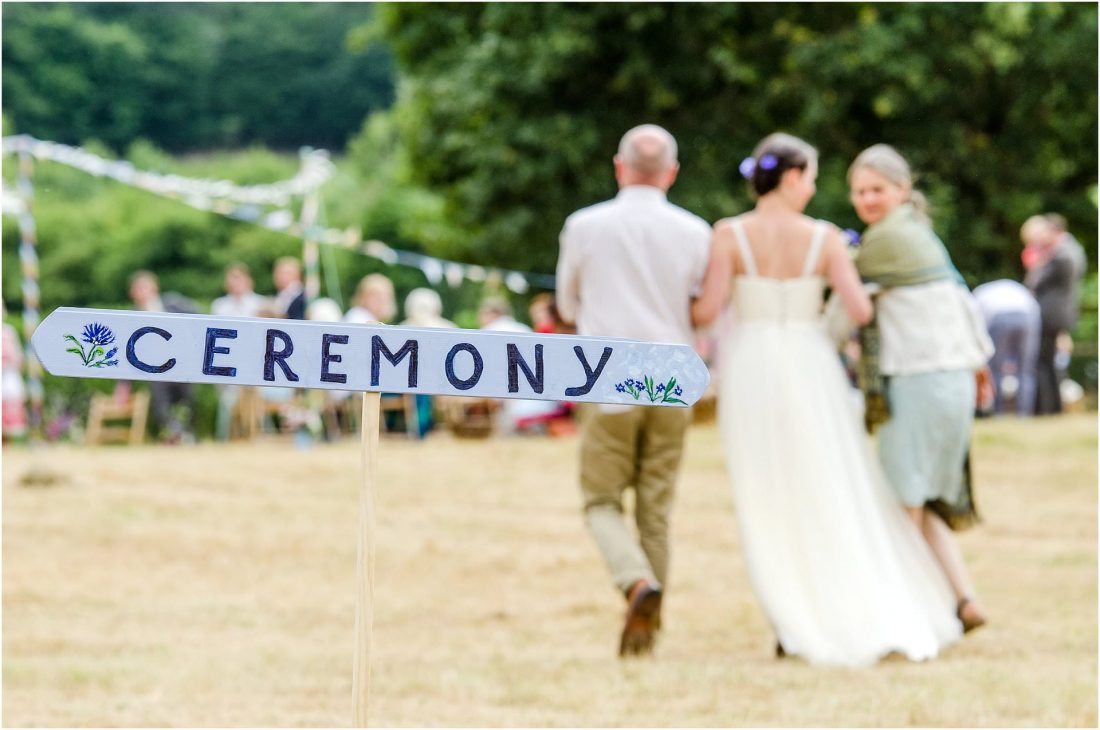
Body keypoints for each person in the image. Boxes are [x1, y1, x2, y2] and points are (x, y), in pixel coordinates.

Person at [691, 133, 963, 667]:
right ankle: (840, 598)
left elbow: (707, 313)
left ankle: (788, 613)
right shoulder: (827, 239)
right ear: (792, 178)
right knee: (828, 479)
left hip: (753, 365)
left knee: (766, 488)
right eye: (812, 178)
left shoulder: (729, 235)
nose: (814, 189)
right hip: (811, 361)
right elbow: (859, 311)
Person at [556, 124, 711, 657]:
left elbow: (568, 304)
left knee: (601, 500)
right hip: (671, 371)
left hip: (608, 371)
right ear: (670, 173)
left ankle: (634, 582)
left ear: (620, 167)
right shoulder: (695, 231)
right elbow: (702, 310)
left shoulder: (584, 225)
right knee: (656, 508)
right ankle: (651, 630)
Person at [847, 143, 993, 632]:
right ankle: (963, 599)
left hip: (918, 379)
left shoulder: (884, 241)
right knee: (923, 499)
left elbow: (845, 310)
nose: (868, 199)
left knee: (901, 503)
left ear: (903, 190)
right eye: (860, 191)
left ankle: (903, 617)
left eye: (877, 189)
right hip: (952, 377)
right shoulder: (920, 236)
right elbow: (962, 300)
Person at [1021, 214, 1087, 415]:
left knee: (1043, 361)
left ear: (1054, 231)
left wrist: (1037, 264)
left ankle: (1046, 408)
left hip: (1050, 313)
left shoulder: (1061, 254)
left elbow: (1035, 283)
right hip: (1061, 313)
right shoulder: (1074, 250)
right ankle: (1053, 407)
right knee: (1050, 362)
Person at [128, 270, 199, 442]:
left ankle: (188, 435)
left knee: (188, 400)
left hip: (181, 363)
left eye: (144, 287)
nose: (142, 291)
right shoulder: (131, 315)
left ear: (154, 287)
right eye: (138, 288)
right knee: (161, 405)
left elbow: (197, 315)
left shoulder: (173, 303)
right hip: (155, 368)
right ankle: (173, 435)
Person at [211, 263, 268, 440]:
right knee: (228, 401)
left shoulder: (261, 303)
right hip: (228, 361)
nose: (235, 283)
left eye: (239, 279)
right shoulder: (220, 306)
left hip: (257, 362)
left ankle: (261, 432)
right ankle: (226, 436)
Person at [972, 279, 1041, 416]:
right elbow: (1036, 313)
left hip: (999, 318)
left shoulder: (978, 295)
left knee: (995, 370)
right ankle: (1024, 413)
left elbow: (978, 328)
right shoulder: (1017, 289)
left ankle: (998, 412)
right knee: (1026, 369)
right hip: (1027, 316)